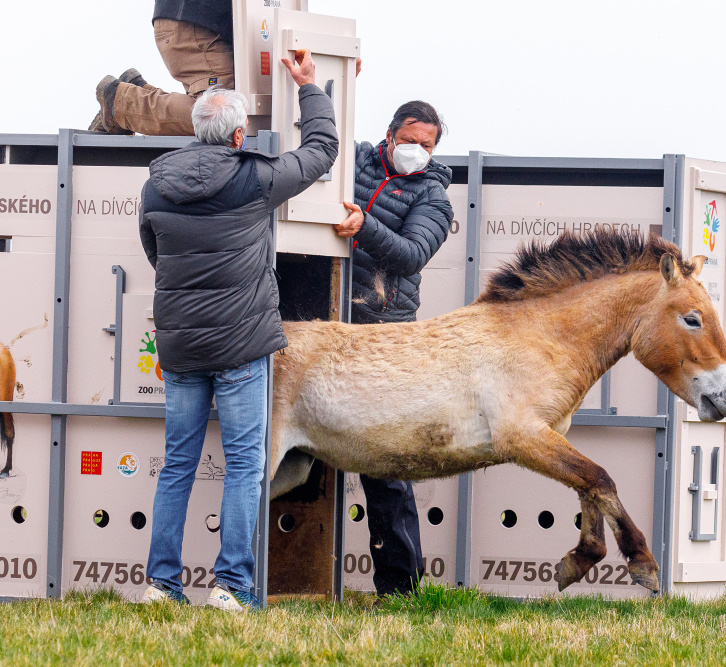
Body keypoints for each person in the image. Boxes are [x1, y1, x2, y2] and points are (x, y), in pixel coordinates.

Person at [137, 50, 338, 611]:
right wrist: (309, 88)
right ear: (238, 135)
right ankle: (231, 587)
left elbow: (155, 251)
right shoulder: (254, 179)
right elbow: (322, 151)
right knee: (247, 463)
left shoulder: (156, 185)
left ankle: (160, 584)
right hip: (242, 346)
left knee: (178, 461)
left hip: (180, 345)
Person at [334, 101, 454, 596]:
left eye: (427, 145)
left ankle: (401, 588)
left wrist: (365, 226)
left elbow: (410, 254)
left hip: (384, 334)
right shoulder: (356, 161)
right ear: (388, 135)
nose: (417, 151)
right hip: (327, 322)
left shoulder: (434, 198)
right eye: (411, 140)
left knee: (384, 464)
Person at [90, 1, 235, 136]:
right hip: (199, 22)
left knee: (228, 113)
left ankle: (139, 93)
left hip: (191, 18)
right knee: (225, 116)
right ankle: (123, 103)